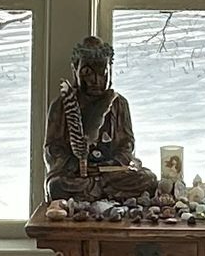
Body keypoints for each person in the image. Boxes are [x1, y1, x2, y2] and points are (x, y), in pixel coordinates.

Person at [43, 36, 157, 201]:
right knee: (57, 186)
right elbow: (53, 149)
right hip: (78, 176)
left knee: (148, 179)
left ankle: (97, 194)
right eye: (87, 73)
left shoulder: (119, 104)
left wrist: (110, 165)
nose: (96, 80)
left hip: (110, 175)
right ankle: (100, 194)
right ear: (74, 69)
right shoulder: (61, 105)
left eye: (102, 73)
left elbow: (127, 145)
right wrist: (76, 164)